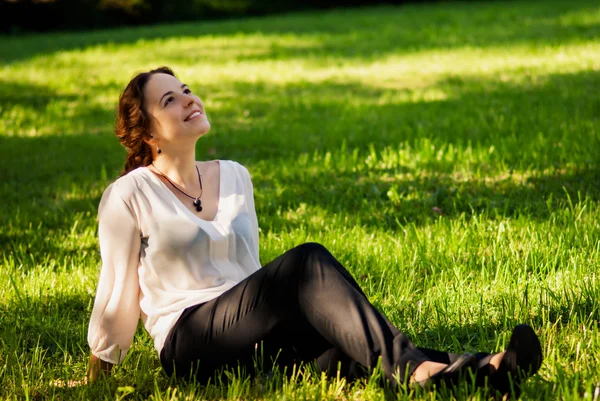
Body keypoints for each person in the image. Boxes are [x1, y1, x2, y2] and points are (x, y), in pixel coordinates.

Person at [87, 66, 543, 396]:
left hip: (251, 330)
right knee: (305, 263)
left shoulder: (234, 175)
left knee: (350, 347)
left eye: (186, 90)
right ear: (147, 132)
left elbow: (246, 273)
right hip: (191, 343)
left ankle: (487, 370)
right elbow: (116, 298)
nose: (189, 98)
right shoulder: (129, 195)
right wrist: (96, 381)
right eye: (169, 99)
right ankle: (416, 371)